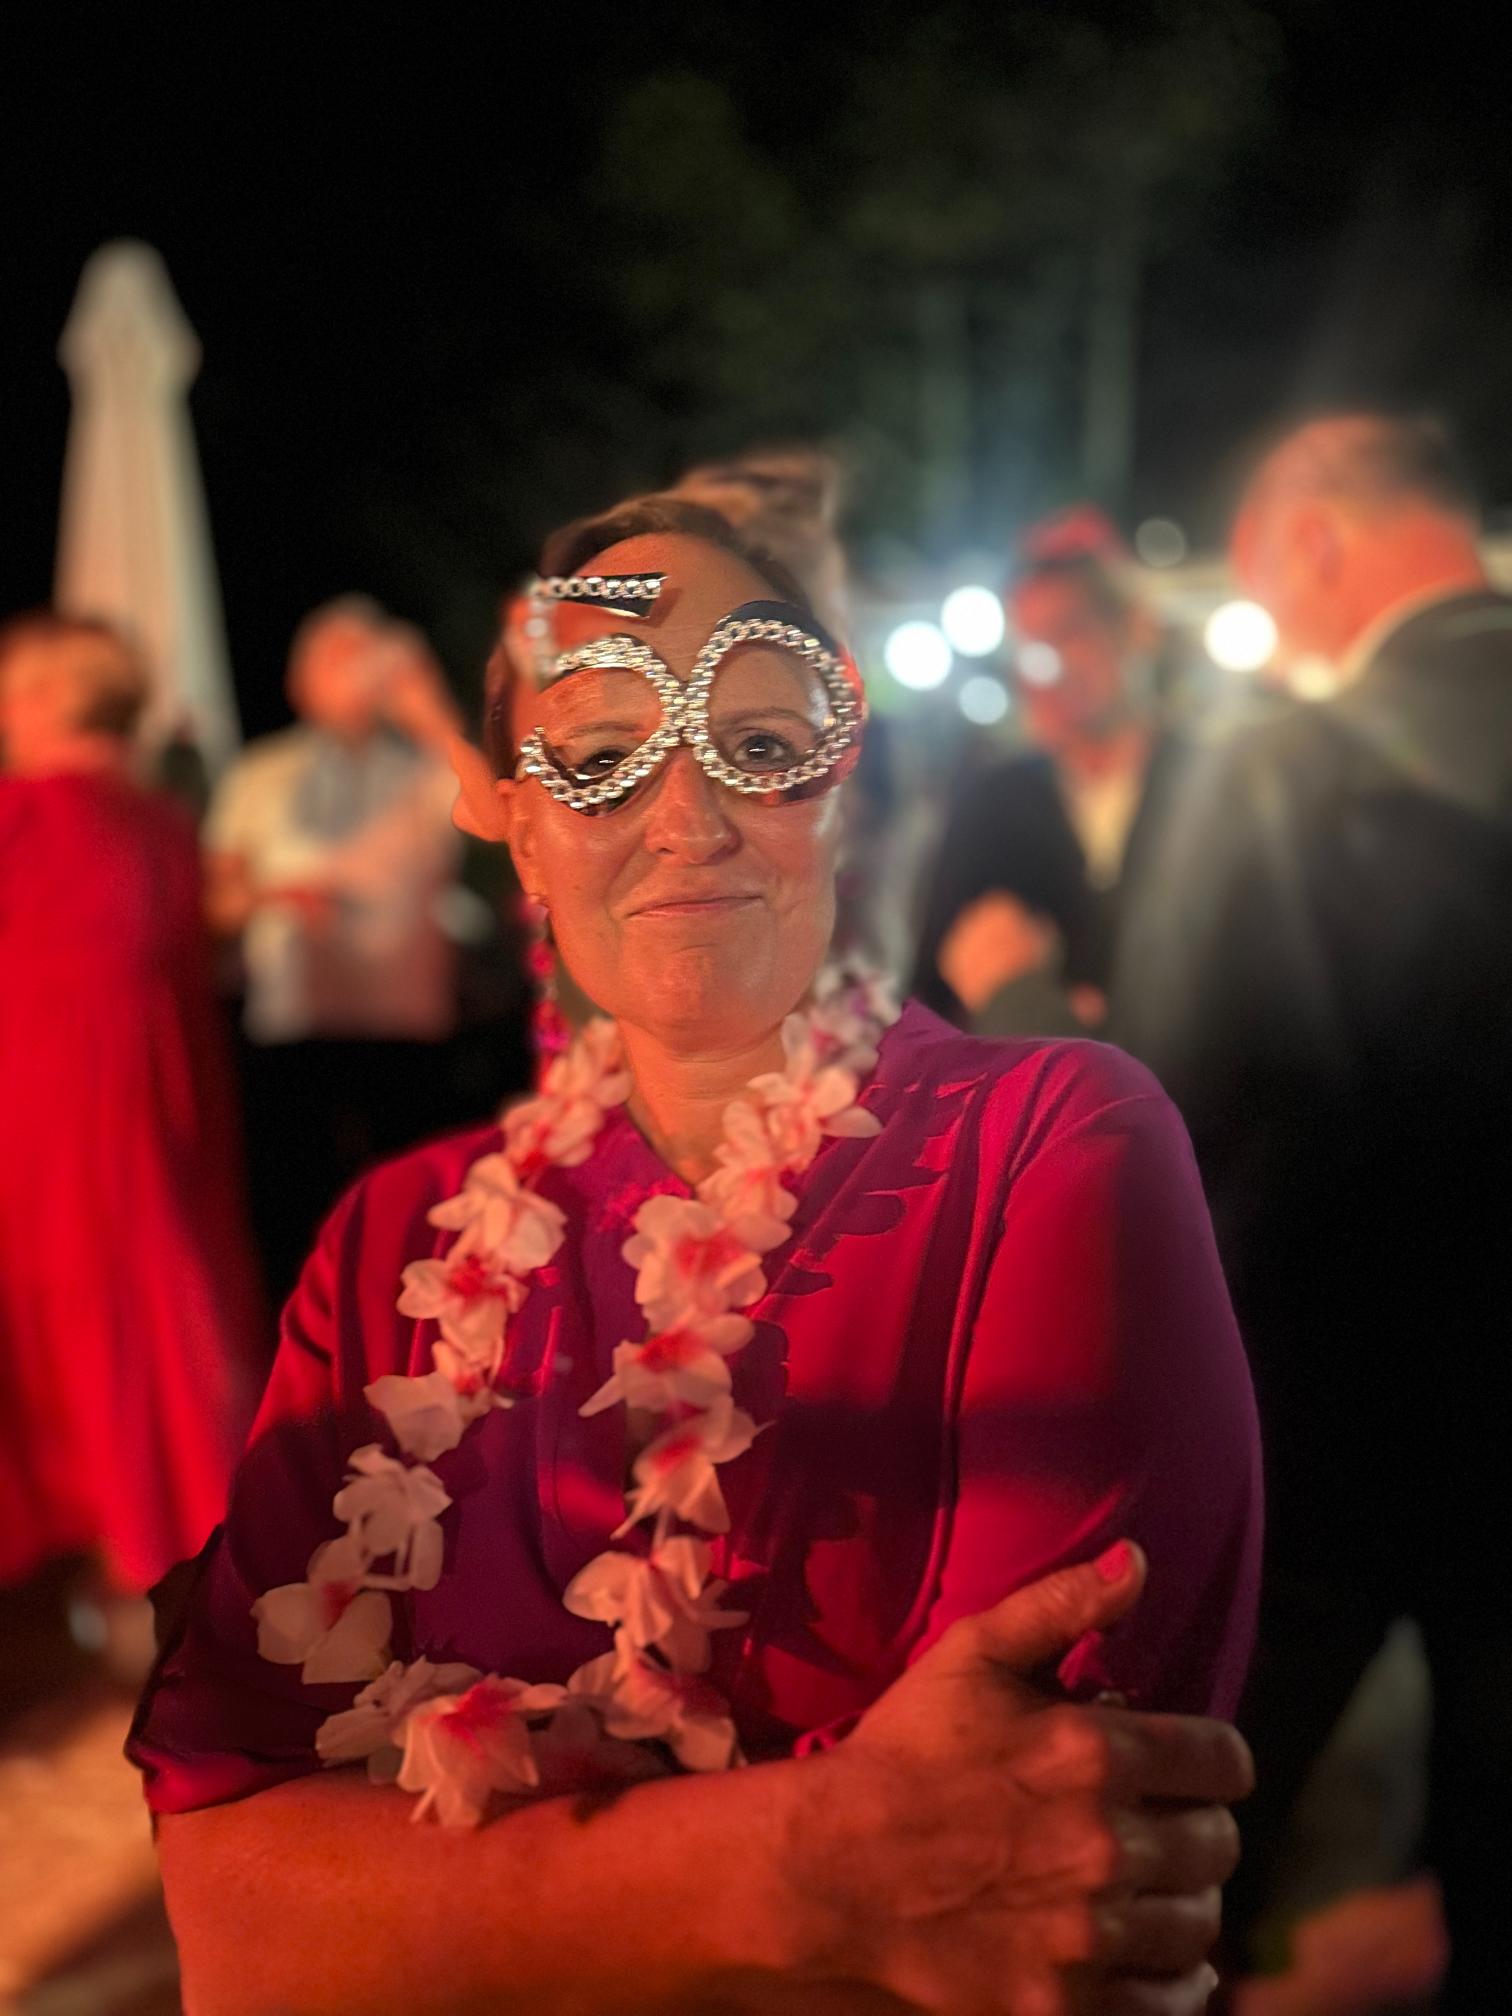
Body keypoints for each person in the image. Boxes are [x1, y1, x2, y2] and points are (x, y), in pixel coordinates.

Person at [132, 501, 1260, 2015]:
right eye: (603, 756)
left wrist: (423, 1913)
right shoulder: (389, 1236)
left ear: (844, 792)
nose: (687, 817)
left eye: (761, 743)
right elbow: (233, 1926)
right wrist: (817, 1870)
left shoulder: (1052, 1145)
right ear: (522, 830)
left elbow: (1039, 1884)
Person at [1113, 414, 1512, 2009]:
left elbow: (1176, 1087)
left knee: (1183, 1853)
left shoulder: (1283, 762)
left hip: (1317, 1405)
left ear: (1312, 541)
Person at [0, 613, 260, 1622]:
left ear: (53, 700)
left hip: (47, 1115)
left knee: (61, 1306)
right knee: (149, 1303)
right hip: (158, 1116)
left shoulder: (27, 813)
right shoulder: (161, 823)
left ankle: (87, 1562)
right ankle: (152, 1550)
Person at [205, 598, 466, 1300]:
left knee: (409, 1209)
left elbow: (490, 810)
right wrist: (274, 898)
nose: (355, 674)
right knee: (299, 1205)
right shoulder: (262, 775)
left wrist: (426, 703)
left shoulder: (421, 768)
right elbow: (217, 903)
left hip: (403, 1018)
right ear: (301, 680)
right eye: (336, 659)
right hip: (297, 1017)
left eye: (365, 655)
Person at [911, 524, 1188, 1040]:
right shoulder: (992, 806)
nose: (1046, 667)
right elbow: (932, 993)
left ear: (1135, 628)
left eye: (1068, 633)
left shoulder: (1213, 785)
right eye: (1029, 645)